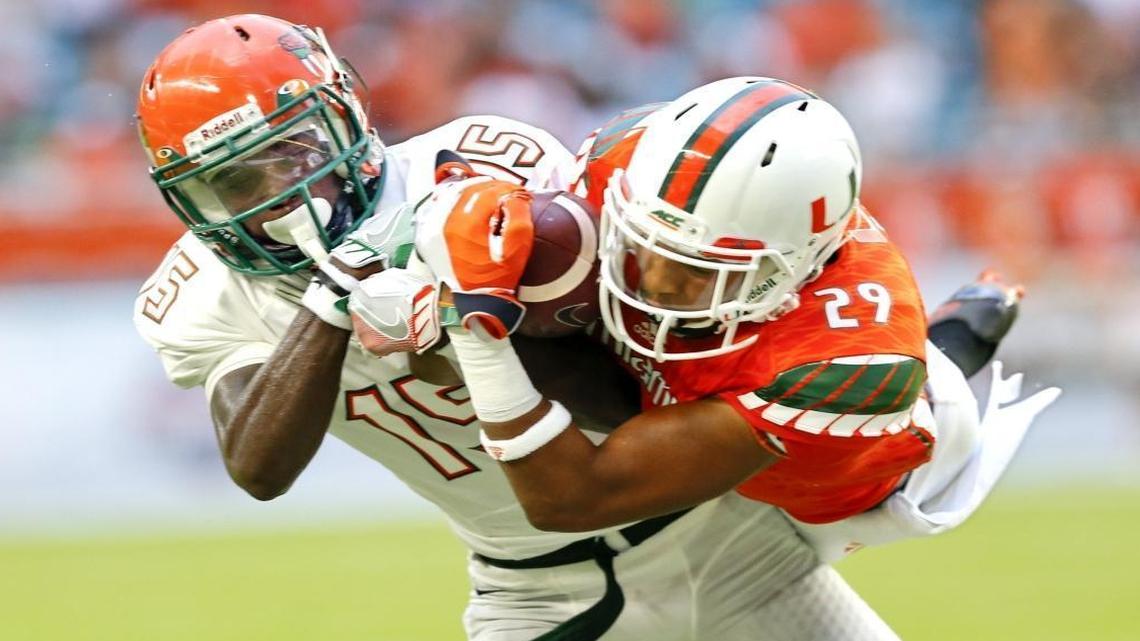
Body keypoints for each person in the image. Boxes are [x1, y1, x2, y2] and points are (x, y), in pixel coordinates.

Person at [134, 16, 920, 641]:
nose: (277, 192)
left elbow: (623, 390)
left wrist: (474, 320)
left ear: (341, 116)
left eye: (292, 149)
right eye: (230, 181)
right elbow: (259, 466)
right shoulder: (203, 292)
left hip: (727, 539)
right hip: (533, 589)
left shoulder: (475, 165)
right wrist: (334, 295)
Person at [390, 76, 1060, 634]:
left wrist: (472, 322)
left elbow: (577, 494)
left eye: (699, 272)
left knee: (936, 407)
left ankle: (959, 336)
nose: (652, 284)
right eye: (643, 245)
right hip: (713, 397)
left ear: (793, 269)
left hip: (839, 482)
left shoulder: (847, 360)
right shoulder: (627, 154)